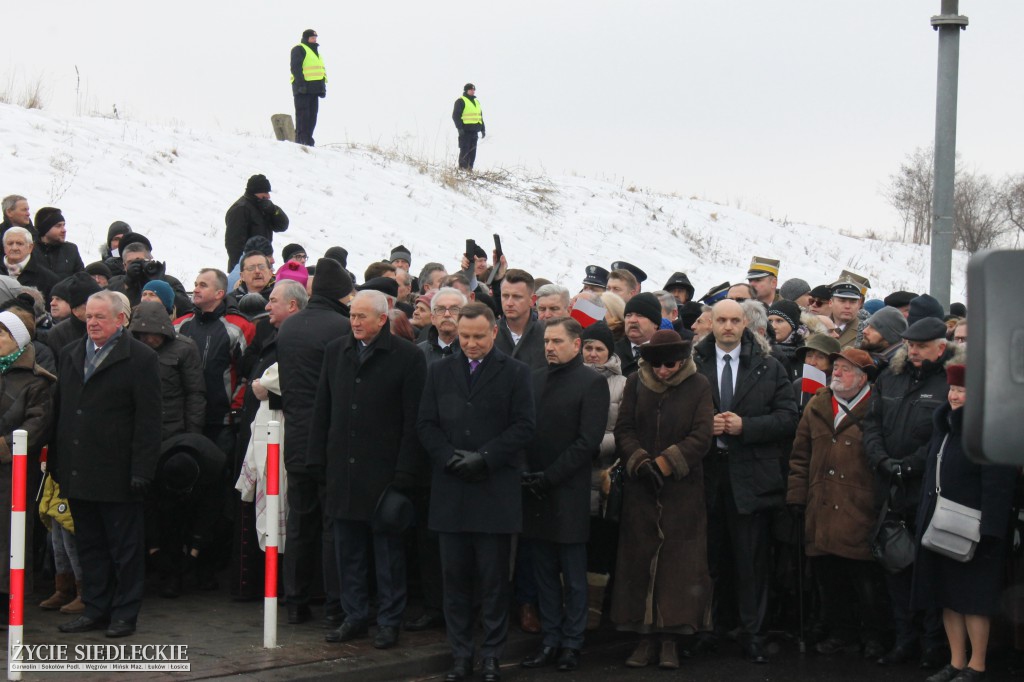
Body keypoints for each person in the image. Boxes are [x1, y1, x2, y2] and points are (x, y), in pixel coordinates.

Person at [417, 302, 536, 682]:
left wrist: (484, 458)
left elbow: (524, 426)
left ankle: (491, 656)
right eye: (465, 336)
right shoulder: (439, 371)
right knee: (454, 581)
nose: (470, 343)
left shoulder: (516, 373)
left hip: (493, 492)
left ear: (494, 333)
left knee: (493, 581)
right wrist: (448, 456)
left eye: (478, 337)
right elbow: (425, 423)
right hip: (451, 489)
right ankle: (460, 654)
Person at [308, 290, 426, 649]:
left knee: (388, 554)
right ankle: (354, 616)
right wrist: (318, 460)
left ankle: (389, 620)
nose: (355, 322)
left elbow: (413, 420)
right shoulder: (336, 351)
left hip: (385, 475)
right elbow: (322, 410)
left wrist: (405, 472)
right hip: (343, 470)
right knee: (348, 552)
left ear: (382, 319)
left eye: (362, 316)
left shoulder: (407, 357)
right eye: (352, 316)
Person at [692, 299, 799, 664]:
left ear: (745, 325)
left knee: (751, 561)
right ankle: (709, 629)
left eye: (734, 320)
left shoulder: (768, 366)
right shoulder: (695, 364)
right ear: (711, 323)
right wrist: (707, 427)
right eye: (720, 320)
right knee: (709, 560)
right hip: (707, 475)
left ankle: (753, 633)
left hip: (751, 476)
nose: (727, 327)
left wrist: (746, 427)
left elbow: (788, 417)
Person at [50, 291, 162, 637]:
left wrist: (142, 470)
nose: (93, 323)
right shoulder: (70, 354)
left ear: (121, 320)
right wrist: (56, 462)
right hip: (78, 469)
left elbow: (149, 421)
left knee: (124, 549)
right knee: (90, 546)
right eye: (90, 317)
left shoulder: (140, 358)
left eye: (101, 317)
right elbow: (61, 412)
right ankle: (95, 608)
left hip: (119, 472)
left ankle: (124, 613)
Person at [612, 329, 714, 670]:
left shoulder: (699, 385)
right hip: (641, 488)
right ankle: (643, 637)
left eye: (670, 364)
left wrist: (667, 463)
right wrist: (640, 462)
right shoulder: (635, 382)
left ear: (682, 361)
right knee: (638, 561)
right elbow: (623, 428)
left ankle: (670, 638)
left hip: (682, 491)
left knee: (678, 566)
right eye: (656, 365)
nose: (663, 371)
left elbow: (701, 435)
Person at [912, 364, 1017, 682]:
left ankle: (978, 665)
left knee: (974, 602)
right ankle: (957, 661)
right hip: (941, 527)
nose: (955, 396)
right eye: (953, 390)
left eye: (963, 391)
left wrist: (991, 533)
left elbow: (998, 487)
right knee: (948, 598)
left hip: (975, 531)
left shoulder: (989, 432)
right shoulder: (944, 426)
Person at [862, 317, 954, 667]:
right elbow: (872, 423)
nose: (913, 351)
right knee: (895, 565)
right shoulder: (890, 376)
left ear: (940, 348)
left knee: (929, 569)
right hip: (891, 487)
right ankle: (904, 639)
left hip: (930, 490)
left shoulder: (951, 381)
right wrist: (881, 460)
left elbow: (943, 434)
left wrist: (911, 465)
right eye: (910, 345)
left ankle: (932, 644)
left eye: (921, 346)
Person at [519, 318, 609, 672]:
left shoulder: (592, 382)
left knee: (573, 575)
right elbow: (524, 428)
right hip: (535, 490)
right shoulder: (535, 378)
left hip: (567, 492)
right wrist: (528, 472)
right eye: (546, 341)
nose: (550, 347)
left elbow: (587, 442)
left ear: (576, 344)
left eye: (557, 341)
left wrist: (550, 477)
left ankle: (572, 642)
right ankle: (550, 639)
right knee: (542, 572)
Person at [787, 348, 886, 658]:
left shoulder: (878, 406)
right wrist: (796, 496)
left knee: (866, 581)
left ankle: (875, 636)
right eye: (837, 366)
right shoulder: (817, 403)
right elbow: (800, 456)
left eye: (845, 369)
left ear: (863, 377)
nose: (837, 373)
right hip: (822, 506)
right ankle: (840, 632)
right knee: (829, 579)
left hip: (861, 507)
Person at [275, 258, 353, 623]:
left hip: (296, 437)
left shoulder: (289, 329)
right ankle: (334, 604)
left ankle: (295, 601)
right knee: (331, 523)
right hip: (330, 440)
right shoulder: (341, 328)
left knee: (299, 522)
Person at [0, 308, 55, 602]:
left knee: (11, 534)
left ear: (18, 339)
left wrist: (4, 445)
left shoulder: (37, 381)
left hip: (14, 473)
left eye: (2, 333)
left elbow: (38, 424)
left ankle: (10, 598)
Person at [174, 269, 255, 459]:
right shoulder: (179, 325)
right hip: (182, 418)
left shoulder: (239, 327)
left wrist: (236, 409)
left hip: (222, 422)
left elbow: (248, 374)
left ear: (220, 293)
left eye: (203, 285)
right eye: (195, 284)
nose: (196, 289)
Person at [578, 322, 626, 629]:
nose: (593, 354)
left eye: (599, 349)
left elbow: (622, 430)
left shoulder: (623, 384)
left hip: (603, 473)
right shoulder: (570, 377)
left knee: (600, 545)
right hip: (574, 475)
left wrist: (592, 447)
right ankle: (571, 609)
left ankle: (592, 613)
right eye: (588, 348)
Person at [128, 301, 205, 441]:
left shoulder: (184, 348)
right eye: (144, 335)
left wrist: (192, 434)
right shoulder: (128, 348)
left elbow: (195, 393)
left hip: (173, 428)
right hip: (135, 426)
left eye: (155, 334)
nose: (150, 339)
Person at [224, 175, 290, 272]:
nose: (268, 196)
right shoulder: (240, 209)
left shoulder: (264, 207)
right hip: (247, 268)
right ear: (256, 191)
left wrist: (273, 210)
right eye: (265, 192)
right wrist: (240, 269)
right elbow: (234, 244)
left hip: (262, 264)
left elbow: (282, 226)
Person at [495, 269, 546, 370]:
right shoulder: (488, 332)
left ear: (532, 300)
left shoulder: (547, 334)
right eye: (505, 296)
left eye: (516, 297)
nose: (509, 303)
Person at [290, 29, 327, 147]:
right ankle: (301, 142)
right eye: (312, 37)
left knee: (312, 117)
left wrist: (322, 88)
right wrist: (301, 85)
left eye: (315, 37)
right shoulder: (299, 49)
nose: (314, 39)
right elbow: (296, 68)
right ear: (306, 38)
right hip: (303, 91)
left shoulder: (317, 53)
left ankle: (309, 141)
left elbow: (321, 71)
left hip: (315, 91)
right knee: (303, 117)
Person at [1, 225, 59, 298]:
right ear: (4, 247)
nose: (14, 248)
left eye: (19, 243)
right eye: (10, 243)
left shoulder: (49, 279)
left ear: (30, 247)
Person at [614, 292, 660, 376]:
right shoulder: (612, 351)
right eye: (628, 315)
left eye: (640, 315)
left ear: (655, 323)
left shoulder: (665, 353)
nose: (632, 320)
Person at [33, 207, 85, 279]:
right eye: (58, 226)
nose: (64, 230)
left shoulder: (71, 250)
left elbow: (82, 280)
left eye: (64, 225)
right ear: (45, 229)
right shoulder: (30, 250)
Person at [453, 83, 485, 170]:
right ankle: (462, 169)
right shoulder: (460, 101)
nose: (473, 91)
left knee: (472, 152)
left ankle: (469, 169)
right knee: (464, 150)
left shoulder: (476, 102)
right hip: (465, 131)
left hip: (474, 131)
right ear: (466, 90)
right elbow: (456, 116)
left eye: (474, 89)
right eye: (471, 89)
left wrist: (483, 129)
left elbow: (479, 116)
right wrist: (459, 128)